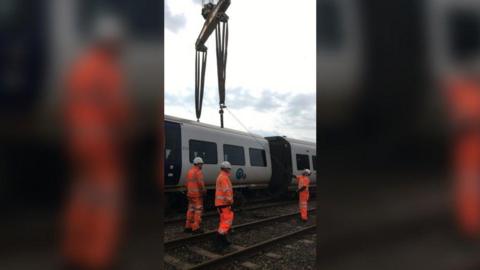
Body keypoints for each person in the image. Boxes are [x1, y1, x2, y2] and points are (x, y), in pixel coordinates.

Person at [61, 14, 130, 269]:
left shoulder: (81, 66)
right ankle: (98, 258)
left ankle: (73, 251)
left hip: (77, 143)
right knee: (108, 200)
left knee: (81, 197)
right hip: (101, 146)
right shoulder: (108, 70)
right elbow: (118, 111)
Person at [445, 60, 480, 239]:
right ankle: (470, 228)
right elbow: (455, 123)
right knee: (469, 190)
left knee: (469, 189)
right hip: (467, 151)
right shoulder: (459, 92)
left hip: (469, 151)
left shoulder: (462, 92)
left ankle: (470, 227)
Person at [214, 161, 234, 249]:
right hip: (224, 204)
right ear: (226, 169)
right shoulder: (224, 178)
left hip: (221, 204)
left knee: (223, 222)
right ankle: (219, 244)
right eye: (229, 169)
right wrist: (230, 201)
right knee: (226, 223)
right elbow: (226, 191)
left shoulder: (221, 176)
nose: (230, 170)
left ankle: (224, 241)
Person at [184, 157, 206, 233]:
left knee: (190, 209)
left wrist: (188, 191)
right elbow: (200, 183)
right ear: (198, 164)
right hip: (197, 195)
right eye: (201, 164)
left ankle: (188, 226)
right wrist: (203, 190)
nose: (202, 166)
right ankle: (196, 228)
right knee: (198, 211)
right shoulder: (198, 172)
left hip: (190, 194)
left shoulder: (189, 171)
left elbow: (186, 183)